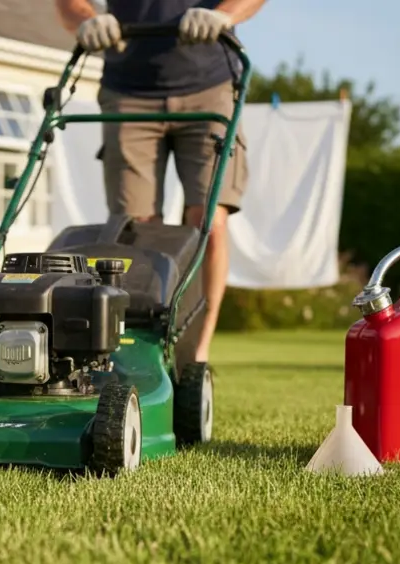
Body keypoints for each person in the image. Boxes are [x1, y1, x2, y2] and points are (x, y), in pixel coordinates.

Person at [54, 0, 267, 364]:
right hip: (128, 91)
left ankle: (196, 352)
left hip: (210, 83)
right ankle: (142, 347)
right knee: (135, 232)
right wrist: (88, 20)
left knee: (209, 222)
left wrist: (224, 15)